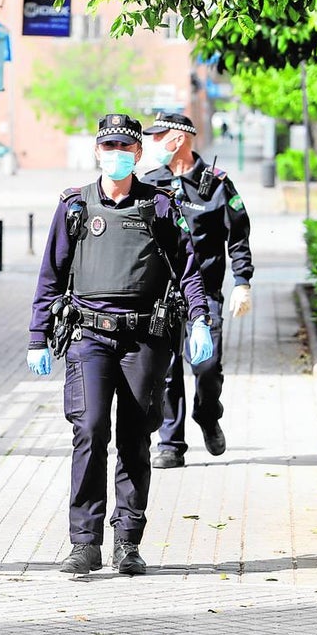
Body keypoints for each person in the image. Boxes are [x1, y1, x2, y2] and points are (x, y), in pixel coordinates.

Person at [27, 113, 213, 575]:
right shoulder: (74, 207)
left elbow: (188, 270)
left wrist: (200, 320)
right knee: (89, 430)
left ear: (137, 155)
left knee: (134, 438)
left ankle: (127, 542)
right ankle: (84, 543)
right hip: (88, 336)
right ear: (97, 152)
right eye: (108, 147)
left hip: (145, 338)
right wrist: (37, 337)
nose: (116, 155)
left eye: (125, 149)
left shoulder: (160, 206)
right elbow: (51, 275)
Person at [140, 112, 254, 470]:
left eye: (161, 136)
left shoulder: (217, 184)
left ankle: (208, 414)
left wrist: (243, 282)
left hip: (204, 295)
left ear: (181, 139)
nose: (155, 143)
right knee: (167, 369)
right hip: (162, 297)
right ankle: (170, 443)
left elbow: (238, 237)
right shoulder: (149, 183)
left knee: (206, 365)